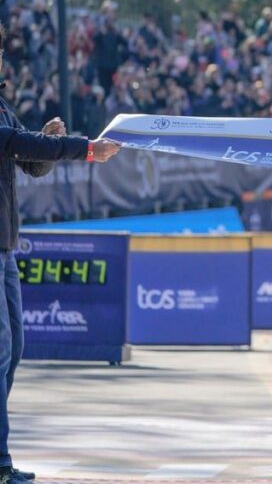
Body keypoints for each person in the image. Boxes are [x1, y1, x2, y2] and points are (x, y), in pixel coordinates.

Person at [0, 52, 122, 483]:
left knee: (13, 350)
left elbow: (31, 164)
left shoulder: (2, 105)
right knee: (0, 351)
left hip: (6, 247)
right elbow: (15, 144)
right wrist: (85, 149)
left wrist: (46, 141)